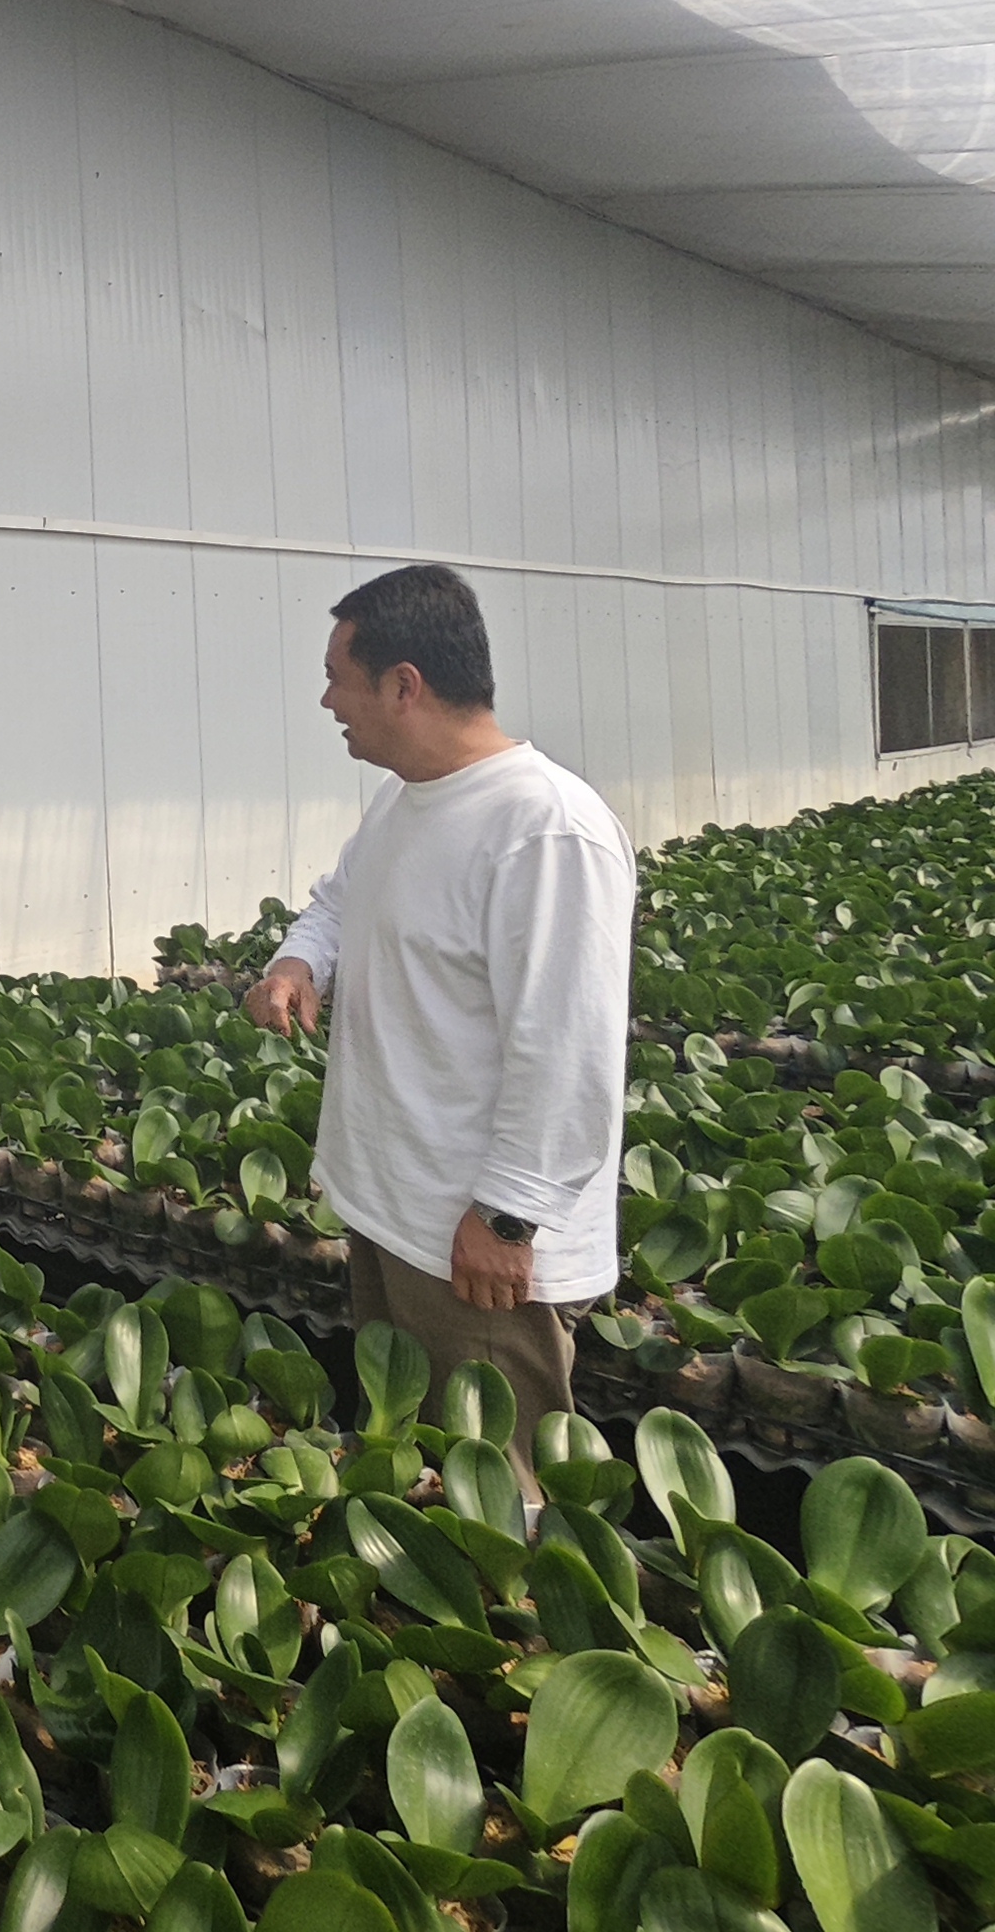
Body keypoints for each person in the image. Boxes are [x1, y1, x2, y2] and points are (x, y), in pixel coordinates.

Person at [243, 563, 633, 1478]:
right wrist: (298, 962)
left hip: (473, 1245)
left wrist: (507, 1220)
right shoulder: (408, 798)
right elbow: (339, 901)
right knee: (416, 1462)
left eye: (338, 678)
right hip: (394, 1209)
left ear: (403, 685)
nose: (328, 701)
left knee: (497, 1487)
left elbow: (567, 1048)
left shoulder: (545, 829)